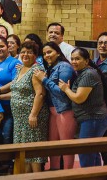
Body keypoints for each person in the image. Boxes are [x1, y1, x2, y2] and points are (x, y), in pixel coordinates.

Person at [58, 48, 107, 167]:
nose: (74, 61)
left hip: (93, 118)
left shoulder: (88, 74)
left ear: (86, 61)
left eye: (78, 59)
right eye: (72, 59)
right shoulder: (83, 73)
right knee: (92, 152)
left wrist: (66, 89)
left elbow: (79, 98)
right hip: (91, 118)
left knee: (85, 152)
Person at [32, 42, 76, 170]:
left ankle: (68, 174)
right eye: (44, 53)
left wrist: (44, 79)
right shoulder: (51, 67)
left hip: (64, 111)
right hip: (53, 111)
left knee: (66, 146)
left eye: (49, 52)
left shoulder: (65, 67)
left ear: (58, 52)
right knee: (53, 145)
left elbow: (62, 93)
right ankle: (54, 172)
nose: (47, 55)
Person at [9, 41, 49, 172]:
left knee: (33, 153)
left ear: (35, 55)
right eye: (23, 51)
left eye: (29, 52)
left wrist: (33, 114)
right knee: (23, 152)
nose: (25, 54)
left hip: (32, 117)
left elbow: (40, 94)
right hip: (20, 119)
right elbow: (16, 91)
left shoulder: (36, 70)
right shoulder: (20, 68)